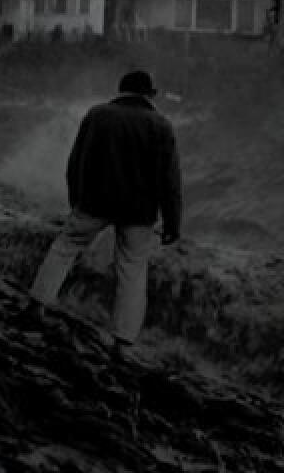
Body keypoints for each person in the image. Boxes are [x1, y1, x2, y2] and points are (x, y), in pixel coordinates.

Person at [29, 69, 183, 345]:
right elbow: (169, 181)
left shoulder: (97, 115)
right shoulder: (161, 125)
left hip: (94, 202)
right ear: (148, 95)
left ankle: (36, 305)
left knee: (65, 248)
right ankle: (122, 341)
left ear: (121, 91)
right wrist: (173, 223)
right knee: (133, 271)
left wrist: (76, 197)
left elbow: (75, 161)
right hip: (138, 212)